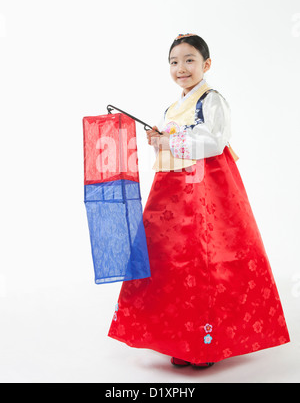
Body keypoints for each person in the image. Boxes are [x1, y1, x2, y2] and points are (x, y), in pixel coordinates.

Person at [108, 33, 290, 368]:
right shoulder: (172, 106)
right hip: (173, 190)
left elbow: (214, 141)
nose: (181, 68)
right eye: (174, 62)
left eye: (189, 60)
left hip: (209, 189)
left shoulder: (212, 99)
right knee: (170, 259)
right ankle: (178, 338)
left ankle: (206, 344)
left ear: (206, 64)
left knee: (205, 258)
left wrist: (171, 141)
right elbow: (173, 138)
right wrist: (158, 139)